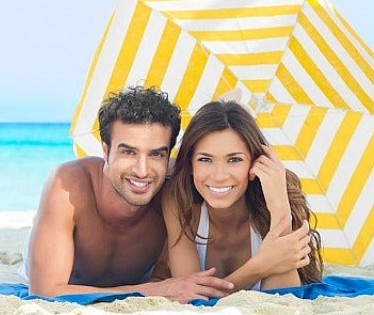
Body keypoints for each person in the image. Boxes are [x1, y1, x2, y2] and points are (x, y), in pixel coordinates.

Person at [18, 86, 234, 303]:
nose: (142, 170)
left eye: (156, 154)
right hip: (51, 267)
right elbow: (44, 291)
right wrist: (154, 290)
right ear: (105, 150)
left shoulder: (173, 193)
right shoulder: (69, 185)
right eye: (128, 152)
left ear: (168, 156)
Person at [162, 100, 323, 292]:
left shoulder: (276, 196)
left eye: (234, 159)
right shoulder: (179, 200)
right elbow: (191, 298)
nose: (219, 175)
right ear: (190, 164)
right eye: (205, 159)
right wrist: (261, 265)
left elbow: (283, 301)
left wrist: (280, 206)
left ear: (255, 162)